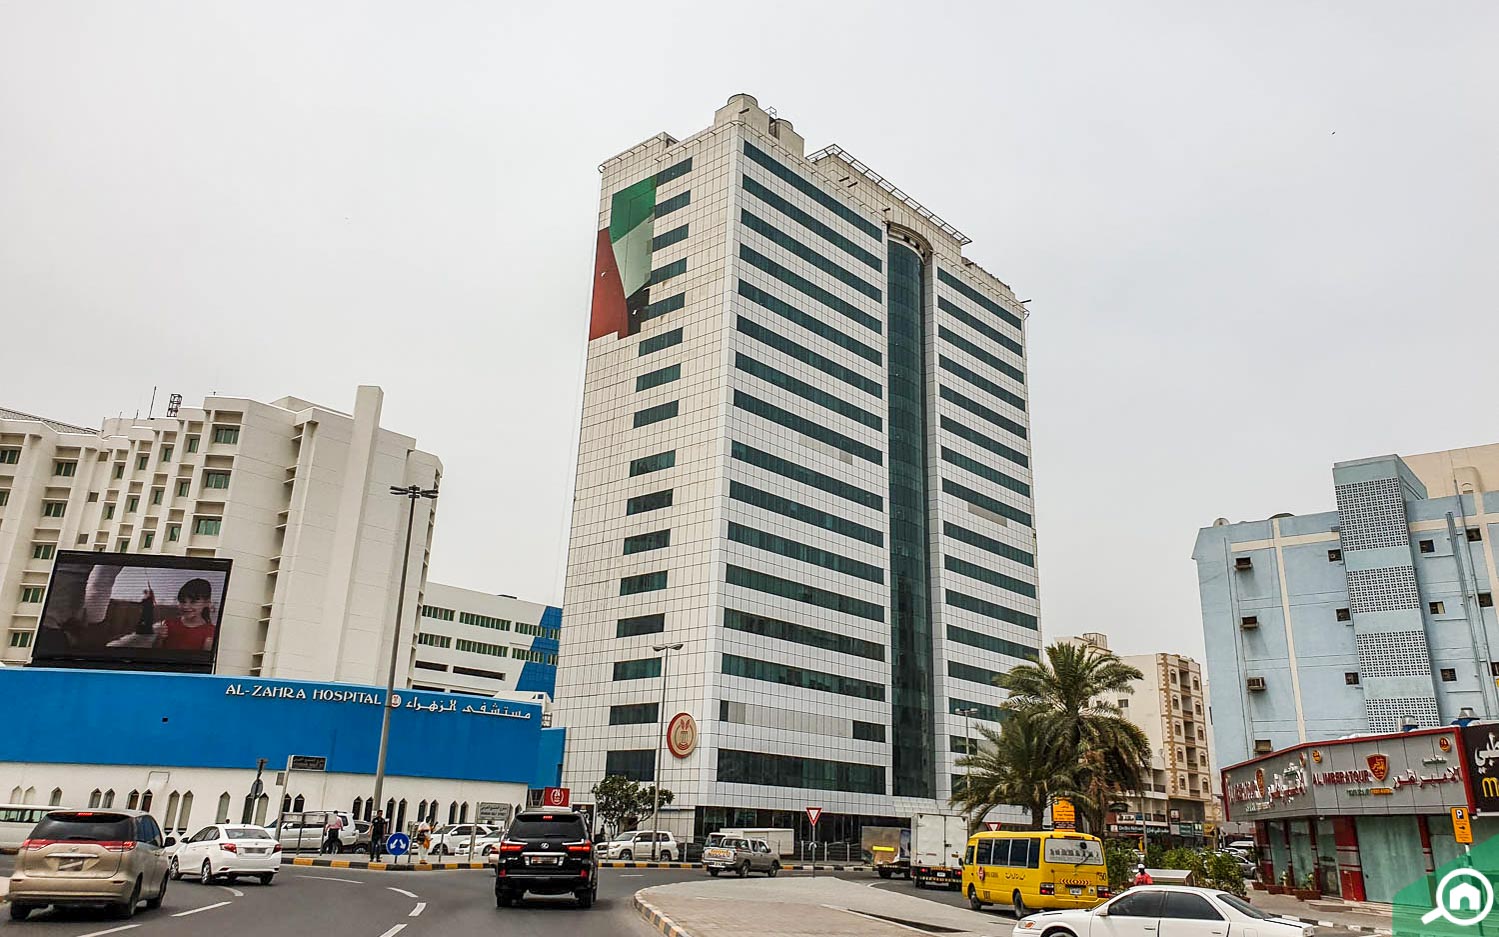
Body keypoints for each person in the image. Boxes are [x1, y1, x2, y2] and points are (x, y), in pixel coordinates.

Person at [154, 578, 217, 651]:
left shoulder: (211, 631)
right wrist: (159, 638)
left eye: (193, 602)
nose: (186, 606)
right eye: (183, 601)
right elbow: (155, 650)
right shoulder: (168, 624)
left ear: (207, 603)